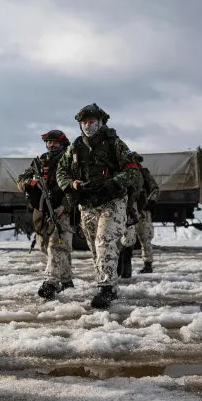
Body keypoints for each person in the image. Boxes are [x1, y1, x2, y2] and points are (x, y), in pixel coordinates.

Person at [56, 103, 141, 309]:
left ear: (100, 122)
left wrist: (113, 183)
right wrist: (72, 184)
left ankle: (107, 288)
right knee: (95, 246)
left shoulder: (114, 144)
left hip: (112, 200)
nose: (88, 125)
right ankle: (107, 283)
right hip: (87, 204)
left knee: (104, 241)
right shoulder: (75, 147)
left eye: (92, 121)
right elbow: (61, 171)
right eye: (84, 122)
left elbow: (132, 170)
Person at [16, 130, 75, 299]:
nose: (51, 145)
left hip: (63, 210)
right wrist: (30, 182)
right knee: (43, 245)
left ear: (62, 143)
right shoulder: (40, 162)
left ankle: (50, 283)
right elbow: (20, 180)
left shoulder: (69, 160)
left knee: (57, 246)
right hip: (42, 210)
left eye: (55, 142)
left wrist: (64, 207)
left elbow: (73, 188)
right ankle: (66, 279)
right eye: (49, 142)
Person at [118, 152, 160, 276]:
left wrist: (151, 201)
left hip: (143, 210)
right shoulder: (124, 173)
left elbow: (155, 189)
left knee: (145, 237)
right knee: (127, 237)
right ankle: (124, 265)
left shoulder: (143, 173)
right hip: (130, 208)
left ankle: (148, 264)